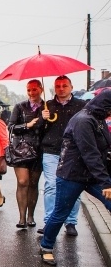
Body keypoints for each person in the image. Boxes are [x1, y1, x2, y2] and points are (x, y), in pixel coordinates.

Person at [39, 91, 111, 266]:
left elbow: (105, 148)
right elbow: (90, 154)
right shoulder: (83, 121)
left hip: (90, 176)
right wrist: (106, 183)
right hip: (71, 176)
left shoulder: (97, 118)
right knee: (60, 213)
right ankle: (46, 247)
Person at [38, 75, 86, 236]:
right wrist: (42, 119)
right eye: (58, 86)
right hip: (51, 151)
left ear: (71, 87)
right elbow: (39, 131)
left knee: (74, 187)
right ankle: (49, 223)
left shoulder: (82, 106)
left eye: (64, 85)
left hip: (74, 153)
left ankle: (71, 222)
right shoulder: (47, 106)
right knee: (51, 186)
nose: (61, 88)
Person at [7, 79, 44, 228]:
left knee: (33, 184)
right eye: (29, 90)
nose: (31, 93)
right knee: (23, 182)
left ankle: (31, 216)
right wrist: (26, 125)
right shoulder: (20, 106)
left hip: (39, 149)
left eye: (34, 89)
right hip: (21, 150)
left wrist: (46, 119)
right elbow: (11, 127)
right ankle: (22, 217)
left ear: (41, 89)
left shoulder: (47, 107)